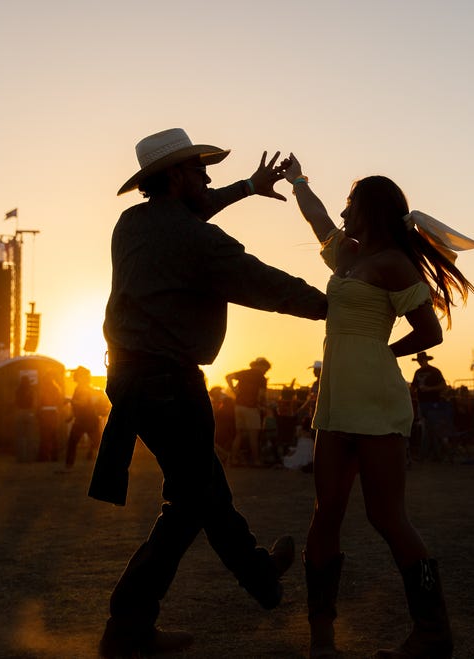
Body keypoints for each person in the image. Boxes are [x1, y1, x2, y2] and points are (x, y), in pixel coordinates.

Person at [88, 128, 328, 658]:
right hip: (169, 383)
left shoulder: (132, 224)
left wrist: (245, 187)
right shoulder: (192, 238)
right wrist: (336, 306)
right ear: (175, 177)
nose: (207, 177)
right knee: (192, 501)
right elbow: (258, 280)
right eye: (199, 170)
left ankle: (262, 579)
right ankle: (127, 625)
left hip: (133, 379)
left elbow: (193, 213)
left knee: (203, 492)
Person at [281, 154, 474, 659]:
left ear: (369, 210)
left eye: (351, 204)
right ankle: (322, 634)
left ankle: (433, 633)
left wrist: (379, 352)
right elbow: (317, 218)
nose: (344, 212)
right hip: (336, 401)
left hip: (376, 399)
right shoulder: (345, 256)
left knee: (386, 516)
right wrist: (298, 181)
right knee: (325, 511)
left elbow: (430, 331)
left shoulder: (393, 264)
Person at [226, 357, 272, 467]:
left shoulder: (244, 373)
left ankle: (233, 459)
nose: (266, 371)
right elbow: (261, 395)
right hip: (251, 408)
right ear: (261, 366)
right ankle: (256, 461)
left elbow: (228, 377)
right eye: (266, 369)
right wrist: (265, 406)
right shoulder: (261, 377)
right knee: (253, 436)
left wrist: (233, 390)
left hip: (238, 406)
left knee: (239, 435)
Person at [410, 351, 450, 461]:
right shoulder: (418, 372)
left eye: (420, 360)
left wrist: (429, 389)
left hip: (433, 404)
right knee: (427, 429)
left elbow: (443, 386)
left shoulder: (435, 371)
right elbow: (413, 388)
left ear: (425, 360)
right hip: (423, 404)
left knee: (431, 429)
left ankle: (430, 453)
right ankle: (434, 453)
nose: (420, 362)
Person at [64, 366, 97, 470]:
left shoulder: (82, 388)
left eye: (77, 374)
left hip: (86, 421)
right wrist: (71, 416)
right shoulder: (81, 387)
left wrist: (69, 401)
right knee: (73, 442)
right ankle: (69, 465)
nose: (74, 376)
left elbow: (83, 403)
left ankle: (69, 465)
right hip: (85, 420)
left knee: (73, 443)